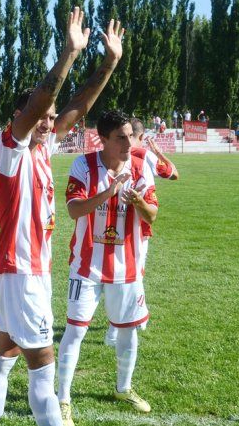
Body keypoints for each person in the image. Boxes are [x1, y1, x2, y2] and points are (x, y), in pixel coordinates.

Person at [0, 8, 123, 426]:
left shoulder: (42, 148)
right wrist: (68, 55)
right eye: (40, 116)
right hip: (22, 271)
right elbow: (42, 102)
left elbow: (76, 106)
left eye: (49, 116)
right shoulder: (10, 149)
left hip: (22, 270)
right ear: (20, 119)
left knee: (3, 356)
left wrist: (108, 64)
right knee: (42, 365)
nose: (48, 121)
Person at [57, 110, 159, 416]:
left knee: (127, 331)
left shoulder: (141, 167)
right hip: (86, 266)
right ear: (102, 139)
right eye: (120, 138)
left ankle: (124, 389)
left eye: (130, 135)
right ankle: (63, 399)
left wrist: (138, 202)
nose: (129, 143)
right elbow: (74, 211)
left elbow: (153, 214)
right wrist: (108, 192)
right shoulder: (84, 165)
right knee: (75, 331)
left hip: (127, 267)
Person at [100, 117, 177, 349]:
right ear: (141, 137)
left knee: (114, 272)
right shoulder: (143, 155)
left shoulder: (106, 152)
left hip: (105, 224)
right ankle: (119, 326)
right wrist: (159, 153)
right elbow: (173, 173)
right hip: (136, 226)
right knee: (131, 274)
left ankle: (127, 320)